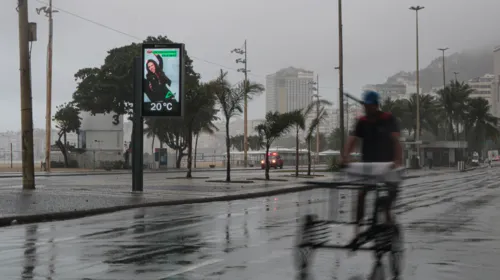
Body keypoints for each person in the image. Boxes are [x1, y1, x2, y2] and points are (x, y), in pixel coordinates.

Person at [340, 90, 402, 240]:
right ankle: (358, 227)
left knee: (391, 192)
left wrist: (397, 160)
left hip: (387, 164)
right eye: (365, 106)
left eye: (370, 106)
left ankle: (387, 214)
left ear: (376, 105)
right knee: (361, 194)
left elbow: (396, 141)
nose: (367, 109)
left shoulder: (388, 119)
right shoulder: (362, 121)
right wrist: (345, 157)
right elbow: (352, 139)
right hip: (368, 165)